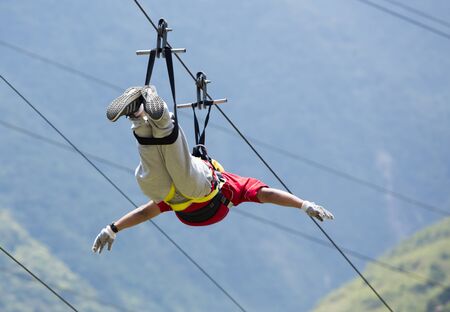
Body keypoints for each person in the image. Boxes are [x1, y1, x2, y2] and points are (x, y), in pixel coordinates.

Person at [92, 86, 334, 253]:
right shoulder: (231, 185)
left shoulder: (172, 203)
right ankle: (158, 110)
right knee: (174, 162)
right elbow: (267, 194)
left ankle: (138, 113)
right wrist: (302, 204)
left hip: (170, 195)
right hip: (200, 190)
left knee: (149, 172)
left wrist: (113, 228)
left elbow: (144, 213)